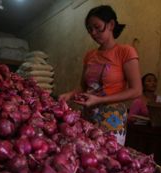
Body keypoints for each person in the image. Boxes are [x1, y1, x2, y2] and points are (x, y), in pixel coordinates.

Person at [59, 5, 142, 145]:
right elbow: (83, 86)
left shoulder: (125, 51)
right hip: (88, 114)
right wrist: (70, 94)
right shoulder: (90, 55)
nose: (94, 33)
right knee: (86, 157)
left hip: (112, 117)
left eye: (97, 27)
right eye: (90, 29)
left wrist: (98, 100)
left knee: (107, 158)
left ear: (111, 24)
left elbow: (136, 90)